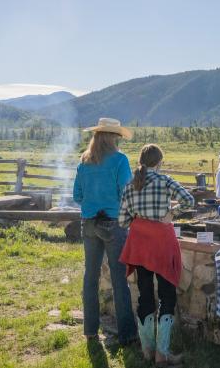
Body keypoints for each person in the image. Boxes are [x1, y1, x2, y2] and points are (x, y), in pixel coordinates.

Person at [118, 144, 194, 366]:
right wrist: (171, 213)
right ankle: (163, 353)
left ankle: (147, 350)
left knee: (144, 295)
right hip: (162, 242)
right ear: (159, 162)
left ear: (141, 161)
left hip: (140, 243)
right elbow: (189, 200)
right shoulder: (165, 180)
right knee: (167, 295)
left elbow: (122, 221)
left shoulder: (131, 184)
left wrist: (139, 220)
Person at [72, 117, 137, 346]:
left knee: (91, 276)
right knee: (120, 279)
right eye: (117, 136)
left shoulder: (84, 161)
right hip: (113, 223)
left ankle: (90, 330)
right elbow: (127, 192)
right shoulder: (120, 160)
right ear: (112, 138)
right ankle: (127, 334)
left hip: (89, 222)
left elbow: (77, 196)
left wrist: (93, 201)